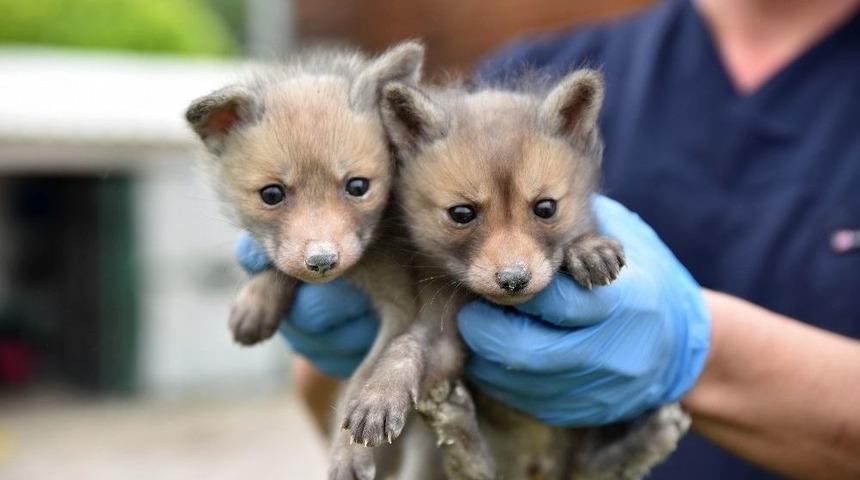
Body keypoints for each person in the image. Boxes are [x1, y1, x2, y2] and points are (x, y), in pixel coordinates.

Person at [236, 0, 860, 477]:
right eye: (464, 216)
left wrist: (696, 352)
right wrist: (357, 324)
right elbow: (325, 397)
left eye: (541, 211)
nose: (508, 260)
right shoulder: (508, 82)